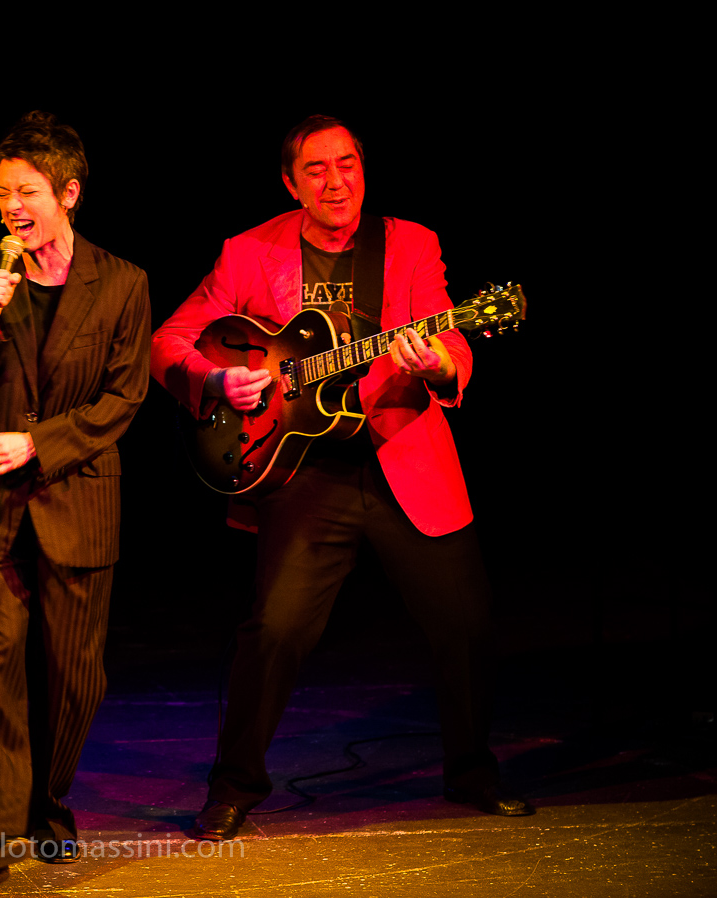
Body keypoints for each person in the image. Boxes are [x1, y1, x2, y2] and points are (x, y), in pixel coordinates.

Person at [150, 114, 532, 842]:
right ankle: (233, 787)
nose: (336, 182)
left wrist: (439, 364)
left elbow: (449, 336)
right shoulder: (247, 251)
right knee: (274, 630)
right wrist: (216, 380)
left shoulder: (411, 243)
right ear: (290, 183)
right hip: (303, 470)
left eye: (347, 164)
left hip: (402, 451)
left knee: (467, 621)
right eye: (317, 169)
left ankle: (472, 772)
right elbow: (168, 341)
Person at [0, 110, 150, 888]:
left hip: (76, 499)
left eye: (26, 191)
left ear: (69, 193)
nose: (11, 206)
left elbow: (123, 398)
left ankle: (46, 807)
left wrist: (39, 444)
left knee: (71, 680)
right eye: (1, 192)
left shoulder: (122, 283)